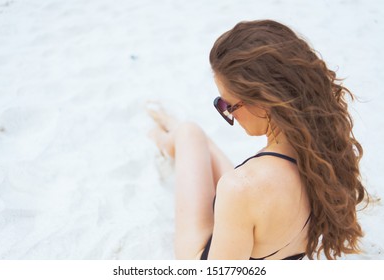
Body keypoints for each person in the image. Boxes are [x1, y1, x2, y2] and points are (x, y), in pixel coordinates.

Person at [147, 19, 368, 260]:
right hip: (267, 238)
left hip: (204, 255)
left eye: (228, 105)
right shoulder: (325, 150)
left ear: (264, 103)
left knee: (190, 133)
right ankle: (170, 128)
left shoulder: (241, 187)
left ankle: (158, 134)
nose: (229, 113)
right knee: (193, 135)